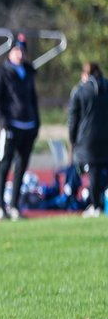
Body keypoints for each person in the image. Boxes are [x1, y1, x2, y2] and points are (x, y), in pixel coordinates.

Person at [0, 34, 40, 221]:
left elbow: (33, 100)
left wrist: (36, 124)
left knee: (21, 167)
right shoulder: (0, 73)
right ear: (10, 52)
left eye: (22, 51)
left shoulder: (28, 72)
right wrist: (4, 123)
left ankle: (15, 206)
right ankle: (1, 207)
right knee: (4, 165)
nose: (20, 54)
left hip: (28, 126)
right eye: (16, 50)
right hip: (11, 127)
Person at [69, 62, 108, 217]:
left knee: (93, 173)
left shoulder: (80, 91)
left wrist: (73, 138)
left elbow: (73, 118)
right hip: (105, 138)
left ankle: (95, 205)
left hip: (87, 139)